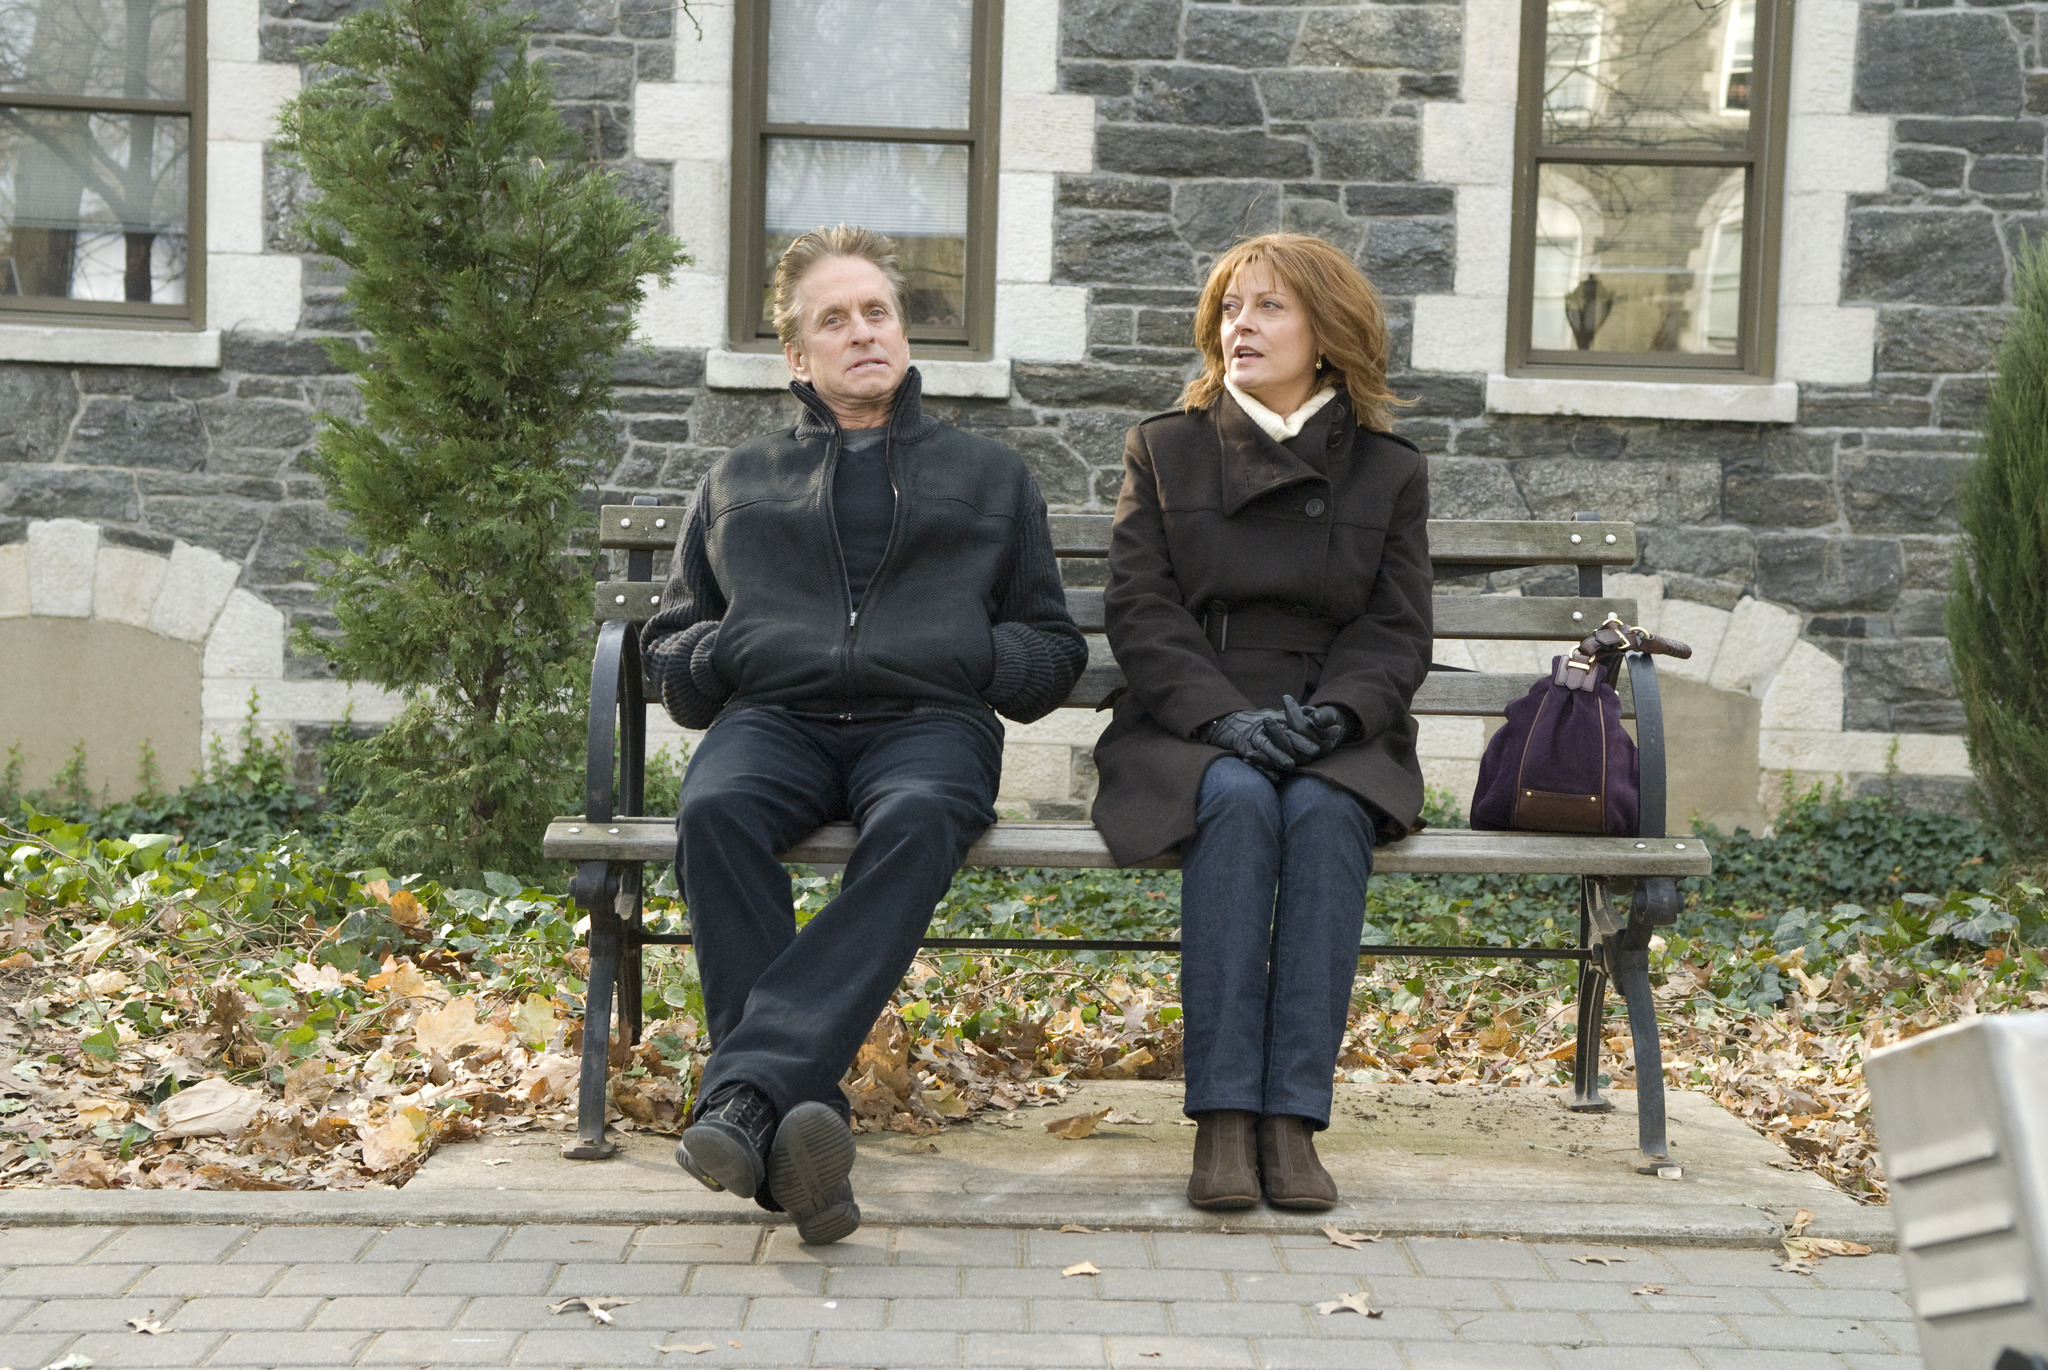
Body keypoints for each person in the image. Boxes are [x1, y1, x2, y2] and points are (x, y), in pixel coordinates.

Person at [642, 225, 1086, 1244]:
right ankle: (799, 1143)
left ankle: (740, 1097)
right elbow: (671, 655)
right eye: (832, 320)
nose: (861, 332)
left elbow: (1051, 649)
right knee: (712, 808)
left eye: (876, 312)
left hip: (927, 724)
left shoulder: (989, 476)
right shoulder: (735, 479)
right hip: (776, 720)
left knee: (923, 817)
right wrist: (721, 654)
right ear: (796, 357)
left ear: (903, 332)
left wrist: (973, 655)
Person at [1091, 233, 1432, 1212]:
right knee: (1236, 799)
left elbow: (1395, 627)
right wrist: (1225, 721)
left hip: (1337, 718)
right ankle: (1222, 1119)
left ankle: (1291, 1119)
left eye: (1267, 307)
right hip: (1187, 718)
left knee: (1326, 814)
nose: (1240, 324)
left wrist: (1333, 716)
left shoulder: (1388, 472)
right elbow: (1141, 610)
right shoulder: (1165, 446)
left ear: (1327, 333)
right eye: (1231, 308)